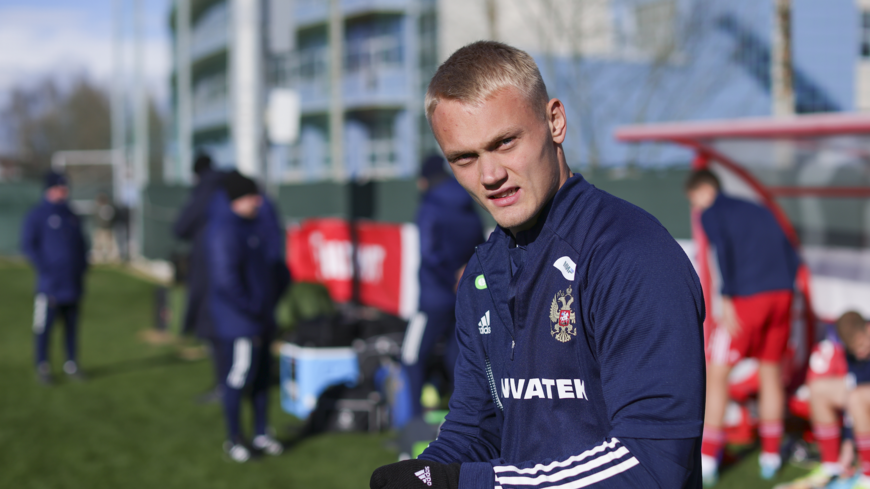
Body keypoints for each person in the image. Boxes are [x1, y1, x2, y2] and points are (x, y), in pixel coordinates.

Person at [370, 41, 705, 489]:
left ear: (555, 122)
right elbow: (476, 430)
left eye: (505, 142)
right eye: (464, 158)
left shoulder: (633, 254)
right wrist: (425, 475)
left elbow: (652, 465)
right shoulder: (482, 273)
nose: (490, 175)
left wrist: (470, 484)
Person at [686, 169, 800, 484]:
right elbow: (791, 252)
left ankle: (708, 459)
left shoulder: (711, 212)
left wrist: (728, 296)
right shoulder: (759, 209)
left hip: (748, 298)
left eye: (694, 199)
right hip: (783, 295)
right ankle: (771, 455)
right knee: (770, 372)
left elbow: (722, 250)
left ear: (704, 190)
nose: (695, 207)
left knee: (716, 373)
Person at [207, 171, 284, 463]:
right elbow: (226, 280)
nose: (258, 201)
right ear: (238, 199)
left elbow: (269, 268)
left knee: (262, 378)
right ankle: (235, 439)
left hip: (260, 318)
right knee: (239, 378)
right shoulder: (225, 230)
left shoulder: (253, 226)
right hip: (241, 322)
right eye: (252, 196)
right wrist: (252, 307)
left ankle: (261, 433)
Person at [401, 154, 485, 420]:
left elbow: (429, 253)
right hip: (464, 295)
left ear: (425, 180)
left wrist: (450, 277)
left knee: (411, 356)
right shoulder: (467, 201)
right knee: (457, 359)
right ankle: (465, 421)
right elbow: (480, 245)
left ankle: (414, 422)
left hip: (434, 297)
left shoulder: (430, 206)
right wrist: (462, 276)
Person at [21, 171, 89, 384]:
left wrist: (82, 267)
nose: (64, 191)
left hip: (72, 284)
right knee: (44, 328)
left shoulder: (72, 215)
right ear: (50, 189)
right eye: (60, 187)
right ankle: (43, 366)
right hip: (50, 285)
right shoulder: (37, 215)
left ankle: (71, 364)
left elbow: (82, 244)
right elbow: (28, 246)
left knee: (71, 328)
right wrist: (46, 268)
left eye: (66, 187)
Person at [173, 153, 225, 402]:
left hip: (210, 269)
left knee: (215, 330)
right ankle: (233, 382)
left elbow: (180, 227)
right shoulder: (229, 186)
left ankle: (225, 386)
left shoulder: (205, 190)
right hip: (234, 269)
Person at [91, 193, 118, 263]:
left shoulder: (108, 208)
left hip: (107, 229)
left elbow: (108, 219)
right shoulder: (98, 208)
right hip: (100, 228)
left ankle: (110, 258)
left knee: (109, 245)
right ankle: (99, 258)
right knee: (98, 245)